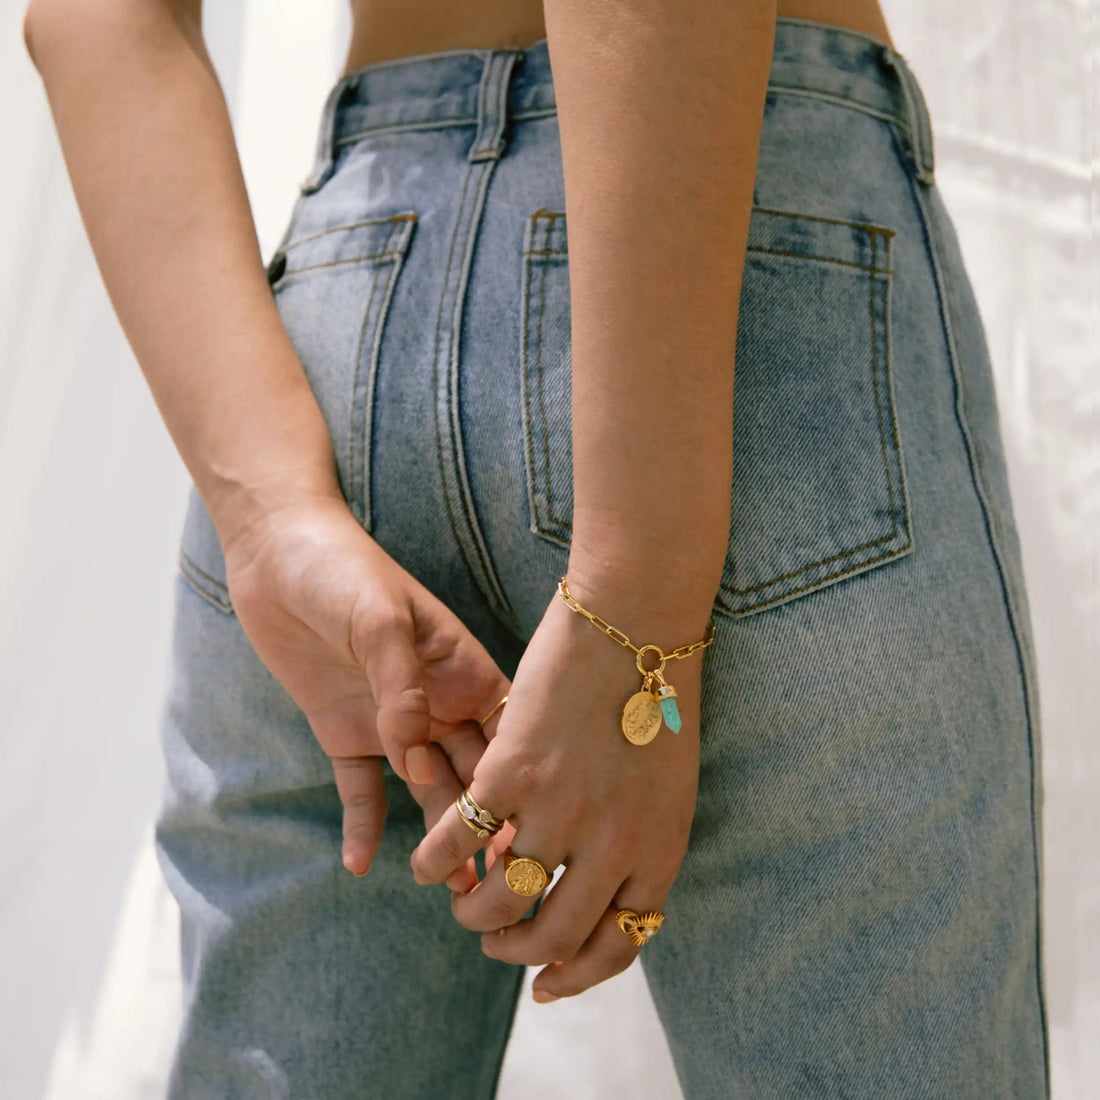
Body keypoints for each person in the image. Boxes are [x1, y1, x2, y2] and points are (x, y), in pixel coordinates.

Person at [24, 0, 1050, 1096]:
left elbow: (92, 18)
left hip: (342, 330)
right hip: (747, 233)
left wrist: (271, 513)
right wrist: (635, 592)